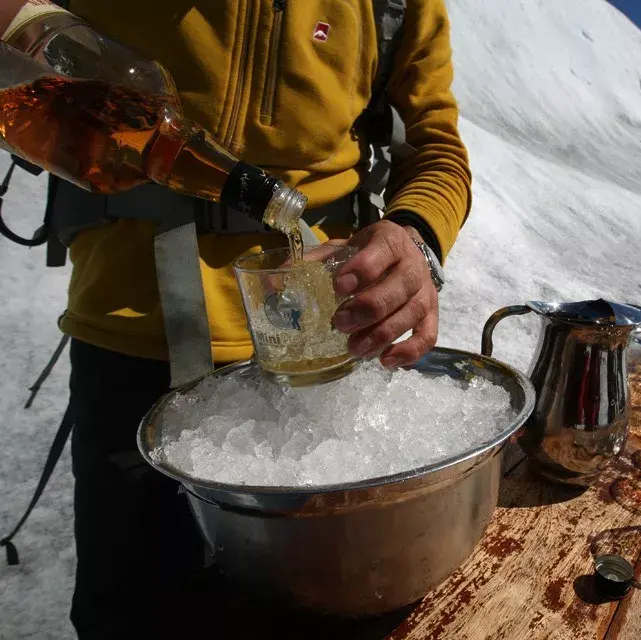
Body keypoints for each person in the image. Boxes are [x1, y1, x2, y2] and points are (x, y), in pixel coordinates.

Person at [0, 0, 472, 637]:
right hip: (130, 337)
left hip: (321, 344)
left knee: (315, 613)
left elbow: (437, 149)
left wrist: (416, 233)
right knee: (132, 612)